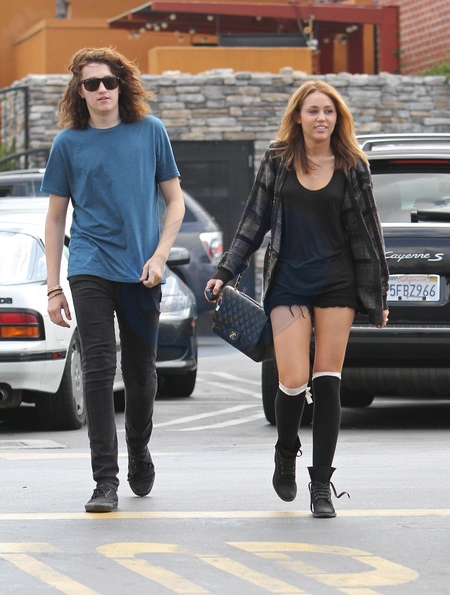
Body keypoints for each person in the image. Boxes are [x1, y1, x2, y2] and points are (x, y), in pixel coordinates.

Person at [205, 80, 389, 518]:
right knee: (291, 380)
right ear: (299, 117)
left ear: (338, 118)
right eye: (313, 111)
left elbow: (370, 233)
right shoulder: (278, 160)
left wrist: (378, 292)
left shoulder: (352, 165)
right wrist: (225, 271)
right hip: (289, 281)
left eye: (328, 111)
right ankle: (286, 450)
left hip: (337, 282)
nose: (321, 118)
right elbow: (253, 221)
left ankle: (321, 485)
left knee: (328, 380)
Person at [42, 47, 185, 513]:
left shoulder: (151, 132)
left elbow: (175, 202)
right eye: (92, 83)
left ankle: (139, 448)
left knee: (140, 373)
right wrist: (53, 286)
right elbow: (55, 219)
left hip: (142, 272)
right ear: (79, 91)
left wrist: (160, 256)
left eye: (109, 81)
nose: (102, 89)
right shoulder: (68, 144)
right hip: (89, 267)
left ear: (122, 85)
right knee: (99, 369)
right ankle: (105, 480)